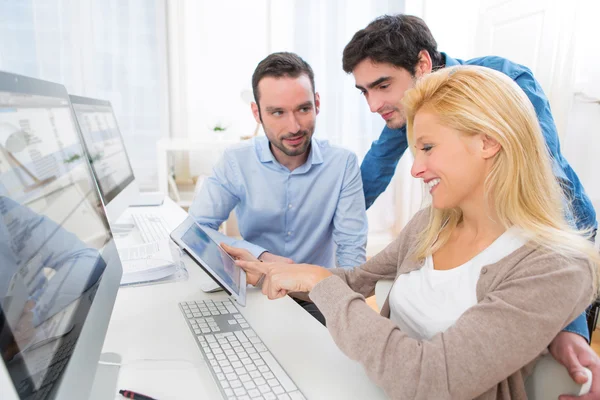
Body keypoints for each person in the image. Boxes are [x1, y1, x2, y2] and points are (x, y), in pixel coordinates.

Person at [228, 66, 600, 399]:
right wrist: (285, 273)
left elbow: (430, 380)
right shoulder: (433, 223)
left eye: (428, 148)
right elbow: (359, 279)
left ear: (488, 141)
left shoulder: (555, 266)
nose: (416, 169)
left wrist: (319, 282)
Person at [342, 15, 600, 398]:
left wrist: (566, 322)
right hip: (489, 236)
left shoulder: (502, 83)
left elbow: (545, 188)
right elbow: (373, 173)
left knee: (557, 362)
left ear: (423, 65)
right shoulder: (412, 112)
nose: (374, 103)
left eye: (382, 85)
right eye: (364, 91)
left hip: (558, 230)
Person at [189, 52, 368, 325]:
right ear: (256, 113)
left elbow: (351, 252)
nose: (293, 126)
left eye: (303, 109)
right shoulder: (236, 161)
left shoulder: (343, 164)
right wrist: (262, 257)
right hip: (253, 292)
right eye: (277, 113)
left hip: (317, 297)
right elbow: (195, 230)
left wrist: (341, 307)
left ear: (317, 104)